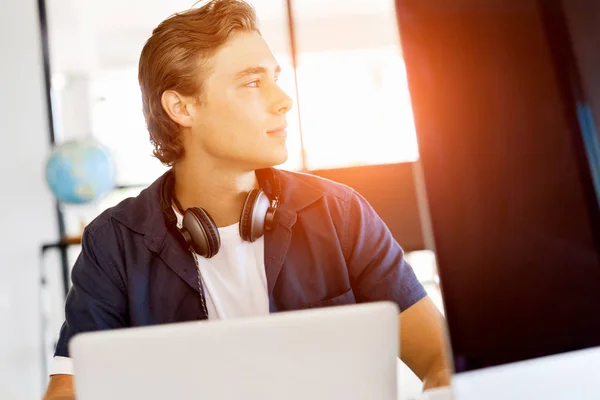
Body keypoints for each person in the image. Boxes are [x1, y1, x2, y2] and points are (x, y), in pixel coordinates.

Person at [43, 1, 451, 398]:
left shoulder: (339, 213)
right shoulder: (113, 243)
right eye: (253, 83)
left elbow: (441, 360)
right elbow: (69, 392)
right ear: (181, 107)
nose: (283, 101)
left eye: (275, 78)